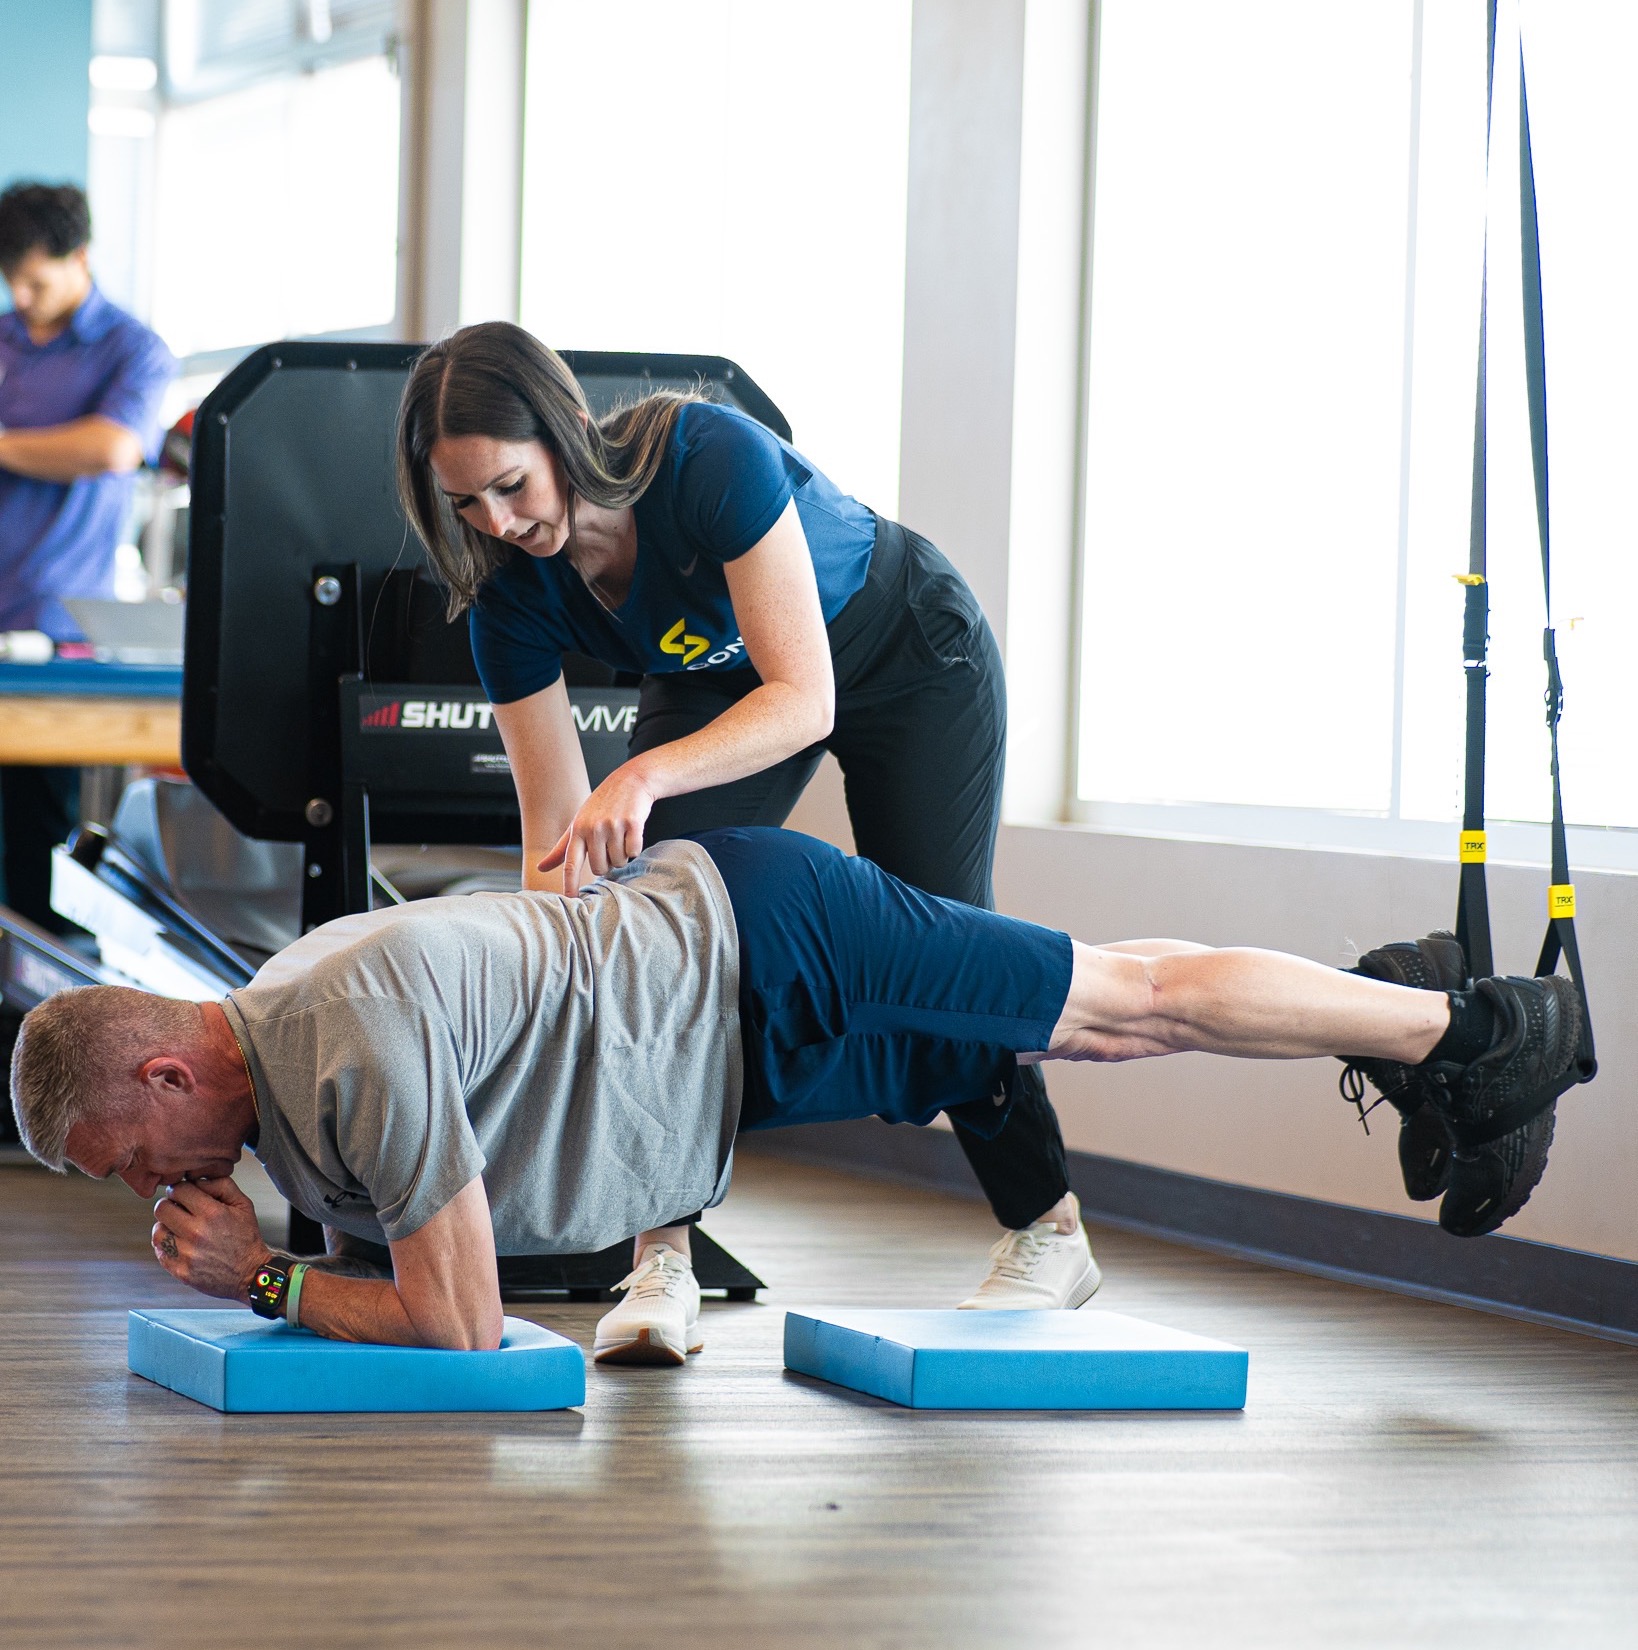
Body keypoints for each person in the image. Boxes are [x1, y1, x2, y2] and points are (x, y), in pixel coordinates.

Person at [10, 826, 1578, 1360]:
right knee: (1088, 1021)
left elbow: (464, 1320)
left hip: (772, 945)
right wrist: (284, 1254)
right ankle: (1398, 1008)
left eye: (123, 1156)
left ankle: (1477, 1023)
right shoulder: (282, 1043)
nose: (145, 1186)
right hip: (733, 1038)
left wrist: (265, 1277)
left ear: (165, 1069)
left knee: (1121, 1006)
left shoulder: (340, 1034)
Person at [395, 322, 1090, 1338]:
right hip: (714, 679)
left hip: (904, 649)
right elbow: (554, 828)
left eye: (511, 485)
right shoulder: (507, 598)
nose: (497, 522)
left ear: (566, 428)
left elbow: (804, 697)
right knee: (647, 937)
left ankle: (1048, 1228)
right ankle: (659, 1260)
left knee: (941, 950)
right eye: (465, 503)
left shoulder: (707, 456)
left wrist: (642, 772)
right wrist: (569, 970)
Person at [0, 182, 177, 930]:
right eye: (10, 281)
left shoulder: (133, 349)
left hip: (55, 627)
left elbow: (112, 447)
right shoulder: (5, 336)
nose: (21, 297)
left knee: (36, 846)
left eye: (35, 281)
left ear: (80, 258)